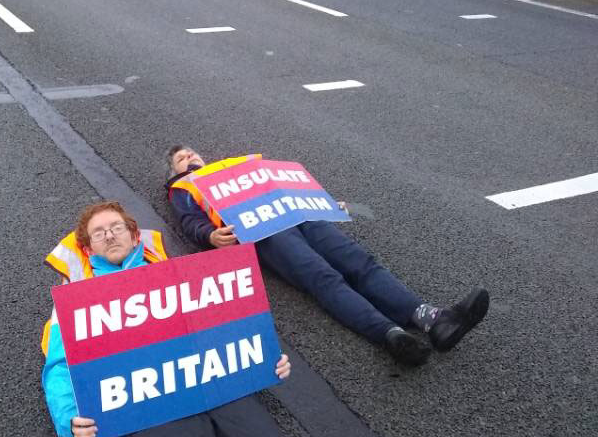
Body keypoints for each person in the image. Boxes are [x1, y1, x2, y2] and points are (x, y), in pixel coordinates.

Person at [41, 201, 339, 437]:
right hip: (148, 407)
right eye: (99, 233)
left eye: (116, 228)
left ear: (134, 236)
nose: (110, 235)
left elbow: (229, 327)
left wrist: (264, 358)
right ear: (88, 249)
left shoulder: (180, 275)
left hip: (219, 390)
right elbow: (60, 365)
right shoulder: (79, 302)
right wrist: (68, 417)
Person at [164, 147, 490, 367]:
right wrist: (208, 235)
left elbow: (284, 183)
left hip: (300, 215)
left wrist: (322, 202)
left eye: (192, 151)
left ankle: (433, 319)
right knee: (322, 277)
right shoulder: (183, 187)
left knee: (359, 262)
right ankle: (391, 335)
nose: (188, 156)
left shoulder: (238, 165)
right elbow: (189, 220)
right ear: (174, 169)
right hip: (264, 232)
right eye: (180, 158)